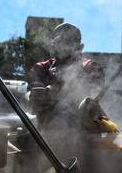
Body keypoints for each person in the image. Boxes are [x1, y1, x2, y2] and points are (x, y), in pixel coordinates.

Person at [27, 23, 106, 151]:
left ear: (80, 47)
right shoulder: (41, 68)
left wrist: (58, 94)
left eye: (69, 41)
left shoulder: (91, 67)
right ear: (53, 45)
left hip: (83, 139)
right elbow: (30, 98)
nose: (63, 46)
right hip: (46, 138)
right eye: (59, 41)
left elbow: (93, 98)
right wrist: (33, 97)